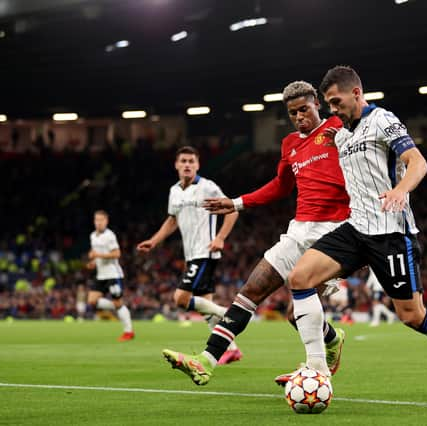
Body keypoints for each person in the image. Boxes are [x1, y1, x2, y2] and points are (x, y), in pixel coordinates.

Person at [285, 65, 427, 407]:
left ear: (356, 93)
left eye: (336, 101)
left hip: (391, 233)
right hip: (356, 229)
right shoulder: (341, 136)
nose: (333, 109)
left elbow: (418, 162)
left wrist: (400, 190)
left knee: (412, 315)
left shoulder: (383, 120)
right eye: (328, 104)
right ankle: (317, 368)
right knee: (299, 277)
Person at [161, 81, 349, 385]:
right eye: (293, 113)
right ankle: (205, 361)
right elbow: (280, 186)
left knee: (294, 315)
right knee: (250, 290)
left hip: (336, 234)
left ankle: (319, 364)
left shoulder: (340, 128)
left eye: (304, 109)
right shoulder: (290, 144)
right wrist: (236, 203)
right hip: (298, 231)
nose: (300, 116)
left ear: (318, 103)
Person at [137, 146, 242, 364]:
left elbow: (232, 209)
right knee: (205, 308)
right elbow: (172, 219)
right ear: (176, 165)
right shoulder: (174, 191)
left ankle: (229, 313)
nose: (187, 165)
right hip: (191, 254)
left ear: (198, 165)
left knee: (181, 299)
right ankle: (231, 349)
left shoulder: (208, 187)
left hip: (205, 252)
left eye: (191, 161)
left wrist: (220, 237)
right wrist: (155, 240)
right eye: (183, 161)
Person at [86, 210, 134, 341]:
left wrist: (98, 256)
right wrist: (93, 262)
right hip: (100, 275)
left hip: (113, 274)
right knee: (92, 301)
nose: (98, 222)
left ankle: (128, 332)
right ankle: (119, 306)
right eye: (96, 220)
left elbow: (117, 254)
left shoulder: (110, 236)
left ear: (106, 221)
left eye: (101, 220)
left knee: (117, 302)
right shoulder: (93, 236)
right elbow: (95, 252)